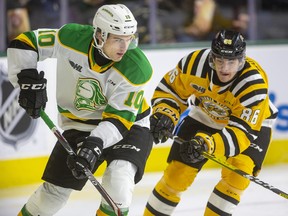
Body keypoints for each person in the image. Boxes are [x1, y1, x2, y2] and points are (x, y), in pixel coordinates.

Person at [7, 4, 153, 216]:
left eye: (129, 38)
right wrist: (25, 81)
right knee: (52, 195)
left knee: (118, 183)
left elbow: (119, 120)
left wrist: (94, 144)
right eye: (117, 38)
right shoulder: (70, 38)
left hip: (129, 126)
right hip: (79, 125)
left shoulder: (137, 68)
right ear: (100, 35)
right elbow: (25, 42)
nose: (125, 46)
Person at [143, 29, 278, 215]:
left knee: (237, 178)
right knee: (177, 174)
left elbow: (242, 133)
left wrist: (208, 144)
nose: (224, 68)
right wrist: (166, 113)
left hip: (252, 127)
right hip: (205, 116)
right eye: (220, 60)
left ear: (241, 61)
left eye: (231, 61)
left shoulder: (253, 84)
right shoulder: (193, 63)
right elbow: (170, 90)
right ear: (212, 58)